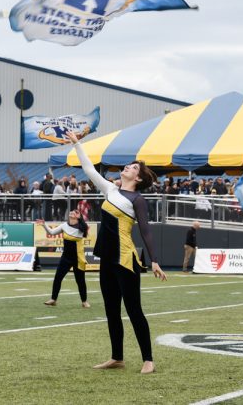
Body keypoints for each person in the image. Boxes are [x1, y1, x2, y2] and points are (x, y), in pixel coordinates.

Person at [66, 130, 166, 375]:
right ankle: (117, 357)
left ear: (139, 178)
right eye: (129, 166)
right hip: (107, 259)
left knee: (134, 310)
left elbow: (146, 231)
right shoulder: (110, 190)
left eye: (133, 168)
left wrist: (154, 260)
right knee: (111, 310)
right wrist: (78, 143)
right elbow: (89, 170)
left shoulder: (137, 199)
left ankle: (148, 359)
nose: (127, 168)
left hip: (126, 260)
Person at [37, 210, 90, 308]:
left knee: (80, 280)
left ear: (78, 216)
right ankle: (53, 299)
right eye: (72, 211)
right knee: (58, 277)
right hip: (66, 257)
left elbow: (85, 229)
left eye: (75, 212)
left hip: (78, 258)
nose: (72, 212)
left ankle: (84, 301)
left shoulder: (81, 227)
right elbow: (52, 232)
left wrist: (80, 218)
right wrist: (44, 225)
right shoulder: (64, 225)